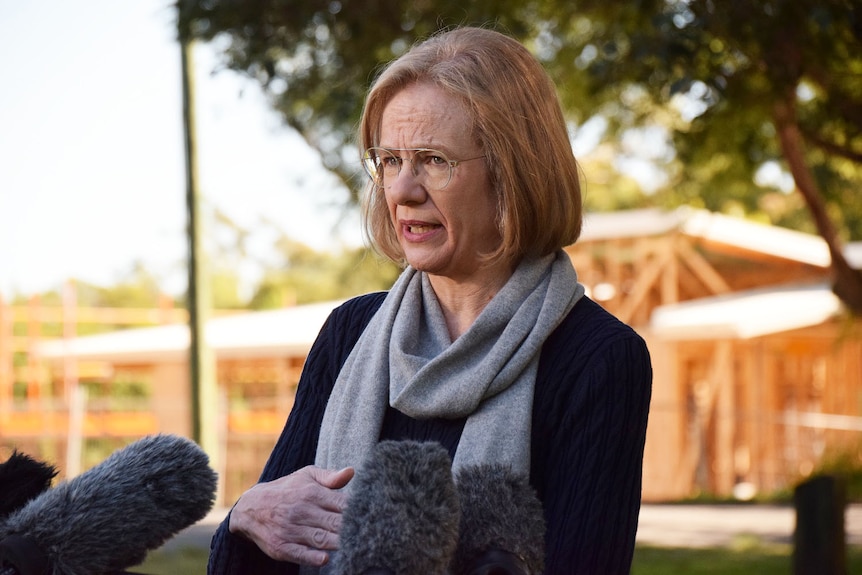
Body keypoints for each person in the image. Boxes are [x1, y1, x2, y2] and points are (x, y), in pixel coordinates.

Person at [208, 25, 652, 575]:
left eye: (433, 160)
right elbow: (254, 560)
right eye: (390, 160)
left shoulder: (599, 359)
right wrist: (247, 515)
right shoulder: (350, 332)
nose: (402, 190)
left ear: (511, 174)